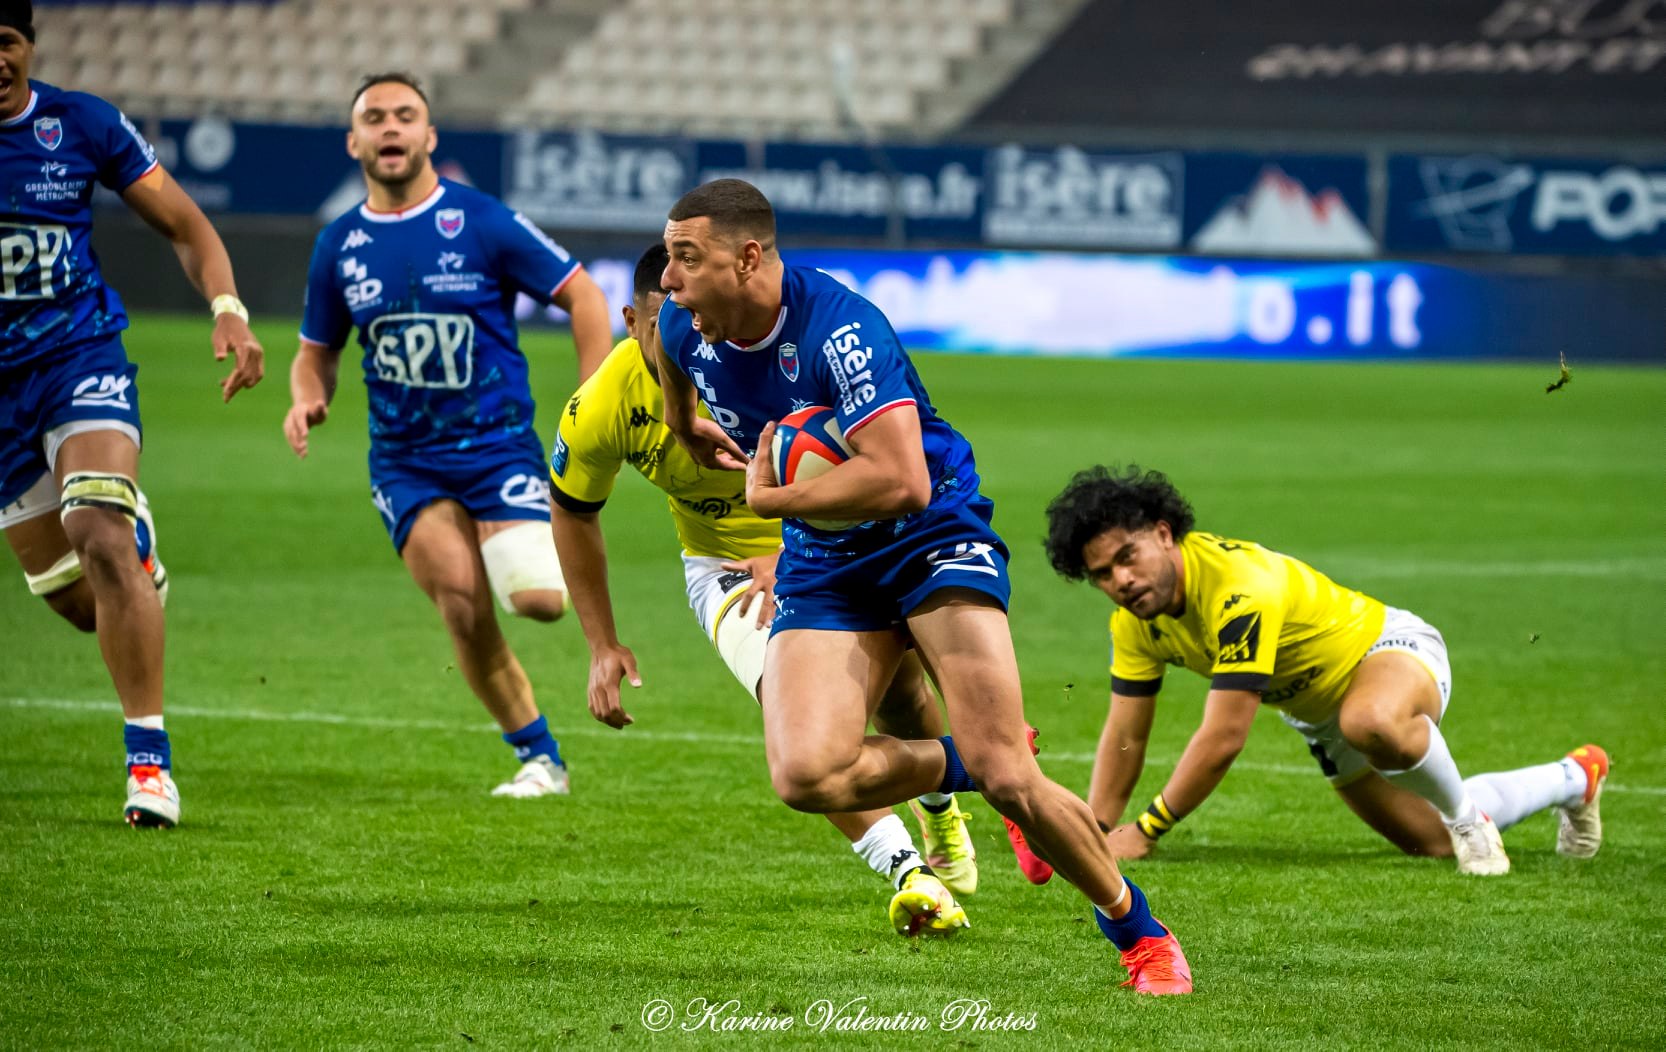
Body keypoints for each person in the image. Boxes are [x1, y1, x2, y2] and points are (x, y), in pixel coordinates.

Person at [651, 179, 1193, 994]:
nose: (667, 279)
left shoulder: (842, 330)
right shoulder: (681, 323)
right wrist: (678, 419)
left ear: (749, 257)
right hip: (829, 559)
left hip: (929, 537)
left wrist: (772, 501)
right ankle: (960, 763)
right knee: (805, 775)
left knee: (1014, 778)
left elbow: (901, 478)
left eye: (686, 259)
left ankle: (1140, 932)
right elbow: (671, 362)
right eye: (667, 259)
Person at [548, 244, 978, 936]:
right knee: (787, 709)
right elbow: (571, 510)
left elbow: (870, 462)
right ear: (634, 322)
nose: (691, 331)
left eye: (698, 310)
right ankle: (911, 872)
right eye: (670, 320)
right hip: (721, 567)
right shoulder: (604, 404)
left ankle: (944, 802)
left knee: (903, 697)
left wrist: (793, 546)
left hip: (829, 545)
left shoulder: (775, 361)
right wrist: (601, 643)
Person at [285, 72, 612, 797]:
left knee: (537, 600)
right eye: (375, 117)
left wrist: (589, 402)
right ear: (354, 140)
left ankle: (545, 735)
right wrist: (306, 398)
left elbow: (585, 297)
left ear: (429, 136)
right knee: (463, 605)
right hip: (406, 463)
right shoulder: (339, 245)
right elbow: (317, 353)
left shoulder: (482, 220)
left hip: (497, 448)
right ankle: (540, 758)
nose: (391, 128)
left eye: (406, 116)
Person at [1038, 464, 1609, 876]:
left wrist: (1146, 829)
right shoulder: (1135, 621)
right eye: (1102, 575)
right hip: (1319, 717)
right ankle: (1576, 778)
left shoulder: (1240, 590)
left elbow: (1224, 736)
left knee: (1373, 722)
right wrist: (1093, 829)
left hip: (1389, 652)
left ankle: (1467, 820)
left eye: (1127, 557)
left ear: (1164, 534)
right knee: (1427, 844)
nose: (1121, 581)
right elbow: (1126, 735)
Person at [0, 0, 266, 828]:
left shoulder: (80, 125)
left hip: (80, 359)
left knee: (97, 528)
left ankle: (148, 767)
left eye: (3, 42)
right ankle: (133, 553)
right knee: (76, 600)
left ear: (29, 46)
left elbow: (186, 225)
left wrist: (227, 305)